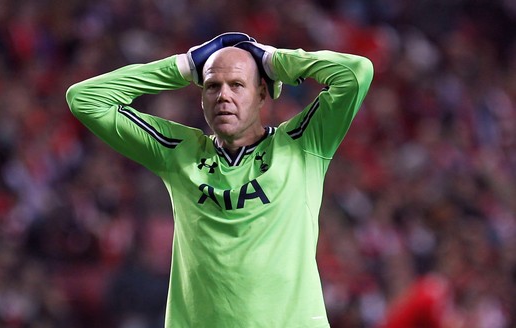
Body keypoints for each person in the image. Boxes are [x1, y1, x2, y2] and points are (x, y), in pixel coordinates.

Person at [66, 32, 373, 328]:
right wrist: (183, 66)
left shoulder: (302, 144)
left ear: (262, 93)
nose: (224, 95)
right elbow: (85, 99)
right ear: (202, 99)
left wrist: (273, 60)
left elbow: (357, 72)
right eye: (213, 86)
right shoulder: (179, 152)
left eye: (238, 85)